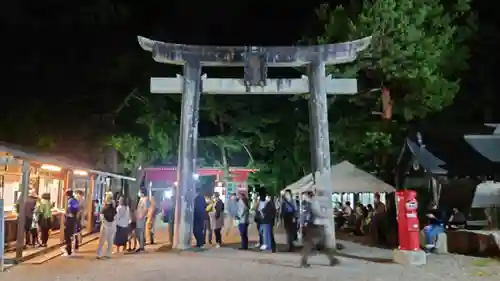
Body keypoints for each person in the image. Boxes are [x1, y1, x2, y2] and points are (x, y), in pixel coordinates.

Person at [299, 187, 339, 268]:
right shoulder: (313, 202)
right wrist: (327, 215)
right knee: (311, 244)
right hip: (316, 226)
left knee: (320, 244)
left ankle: (332, 259)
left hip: (313, 225)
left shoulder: (306, 203)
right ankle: (303, 261)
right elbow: (317, 213)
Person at [62, 190, 80, 256]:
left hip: (69, 219)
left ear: (67, 195)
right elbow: (78, 209)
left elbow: (69, 210)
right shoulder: (75, 200)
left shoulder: (70, 201)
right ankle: (73, 247)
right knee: (72, 234)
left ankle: (68, 249)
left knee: (67, 234)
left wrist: (66, 213)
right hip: (74, 219)